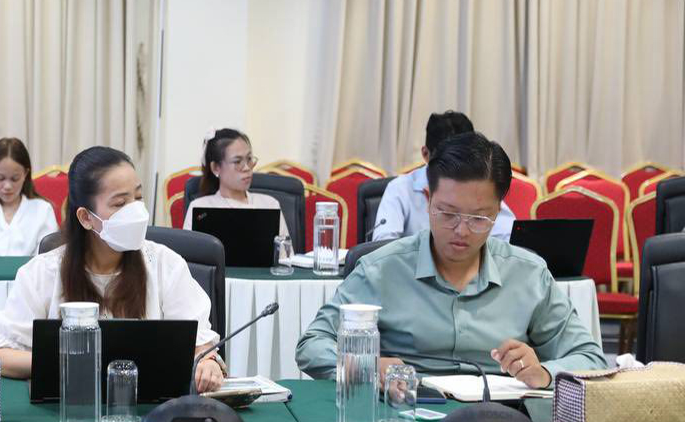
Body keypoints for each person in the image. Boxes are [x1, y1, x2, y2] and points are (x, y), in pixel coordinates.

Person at [296, 132, 608, 386]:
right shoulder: (382, 269)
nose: (461, 230)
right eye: (447, 214)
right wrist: (364, 366)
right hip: (405, 413)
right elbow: (313, 344)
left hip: (502, 419)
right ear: (428, 200)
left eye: (479, 218)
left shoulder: (528, 273)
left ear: (498, 211)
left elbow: (589, 357)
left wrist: (544, 373)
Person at [0, 146, 224, 391]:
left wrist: (208, 362)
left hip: (151, 405)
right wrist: (70, 362)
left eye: (138, 198)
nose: (135, 212)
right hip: (67, 406)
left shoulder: (165, 264)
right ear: (86, 218)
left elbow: (200, 344)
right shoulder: (42, 273)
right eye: (120, 203)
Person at [372, 110, 515, 241]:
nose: (455, 171)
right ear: (425, 154)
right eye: (444, 163)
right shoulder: (400, 189)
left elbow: (510, 239)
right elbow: (383, 246)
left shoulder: (481, 189)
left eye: (464, 161)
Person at [184, 128, 289, 237]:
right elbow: (190, 247)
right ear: (215, 167)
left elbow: (285, 247)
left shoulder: (269, 204)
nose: (247, 168)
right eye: (237, 161)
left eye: (249, 159)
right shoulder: (200, 208)